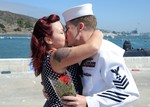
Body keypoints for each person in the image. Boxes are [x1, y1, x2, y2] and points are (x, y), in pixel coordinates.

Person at [60, 3, 140, 107]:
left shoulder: (105, 52)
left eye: (68, 28)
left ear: (80, 27)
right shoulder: (78, 52)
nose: (66, 33)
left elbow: (128, 92)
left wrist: (89, 102)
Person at [30, 14, 102, 107]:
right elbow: (93, 47)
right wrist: (97, 32)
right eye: (61, 32)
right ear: (49, 39)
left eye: (65, 30)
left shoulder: (50, 57)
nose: (66, 33)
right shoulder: (56, 56)